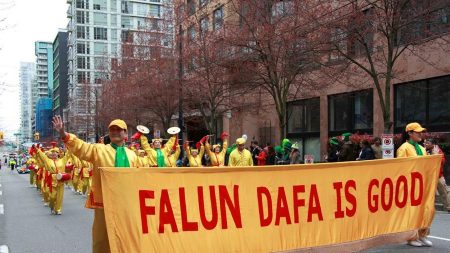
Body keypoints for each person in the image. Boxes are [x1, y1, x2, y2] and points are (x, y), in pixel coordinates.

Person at [52, 115, 141, 253]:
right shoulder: (100, 150)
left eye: (119, 129)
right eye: (112, 129)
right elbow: (81, 147)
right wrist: (63, 133)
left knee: (125, 238)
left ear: (125, 134)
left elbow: (142, 176)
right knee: (101, 240)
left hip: (126, 204)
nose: (115, 132)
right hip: (104, 204)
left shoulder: (133, 156)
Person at [396, 122, 433, 247]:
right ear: (409, 133)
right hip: (411, 186)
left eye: (421, 132)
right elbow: (401, 168)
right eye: (417, 132)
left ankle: (422, 234)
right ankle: (411, 238)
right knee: (412, 212)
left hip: (423, 184)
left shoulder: (422, 148)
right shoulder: (403, 148)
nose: (420, 134)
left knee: (426, 210)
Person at [424, 139, 450, 213]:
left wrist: (434, 155)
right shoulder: (425, 150)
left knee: (443, 192)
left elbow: (442, 161)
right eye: (425, 143)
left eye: (427, 143)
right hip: (429, 175)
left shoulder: (438, 150)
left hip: (438, 175)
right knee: (428, 192)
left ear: (433, 144)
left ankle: (448, 207)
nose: (426, 144)